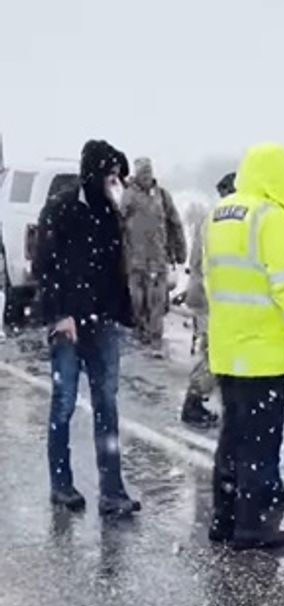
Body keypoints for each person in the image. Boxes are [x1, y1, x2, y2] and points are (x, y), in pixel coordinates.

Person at [205, 143, 284, 550]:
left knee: (232, 436)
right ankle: (252, 526)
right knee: (261, 441)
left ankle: (223, 516)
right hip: (262, 351)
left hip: (226, 347)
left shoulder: (218, 214)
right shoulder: (269, 218)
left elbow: (210, 279)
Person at [35, 139, 140, 516]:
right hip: (68, 325)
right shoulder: (62, 210)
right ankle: (61, 484)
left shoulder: (111, 214)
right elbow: (43, 266)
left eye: (118, 177)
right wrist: (60, 314)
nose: (115, 183)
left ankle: (112, 490)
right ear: (94, 173)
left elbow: (116, 269)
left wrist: (124, 312)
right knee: (63, 403)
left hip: (103, 322)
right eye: (110, 175)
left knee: (107, 405)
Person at [180, 172, 235, 429]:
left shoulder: (212, 217)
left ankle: (202, 399)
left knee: (213, 350)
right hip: (208, 294)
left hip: (205, 291)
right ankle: (194, 401)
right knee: (213, 351)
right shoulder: (218, 220)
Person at [121, 157, 186, 358]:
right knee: (137, 302)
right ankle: (140, 337)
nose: (146, 176)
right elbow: (119, 226)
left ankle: (155, 341)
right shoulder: (128, 196)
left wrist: (179, 249)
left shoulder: (162, 196)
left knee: (157, 302)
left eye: (148, 172)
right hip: (135, 262)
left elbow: (174, 222)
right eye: (142, 173)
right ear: (136, 174)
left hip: (158, 261)